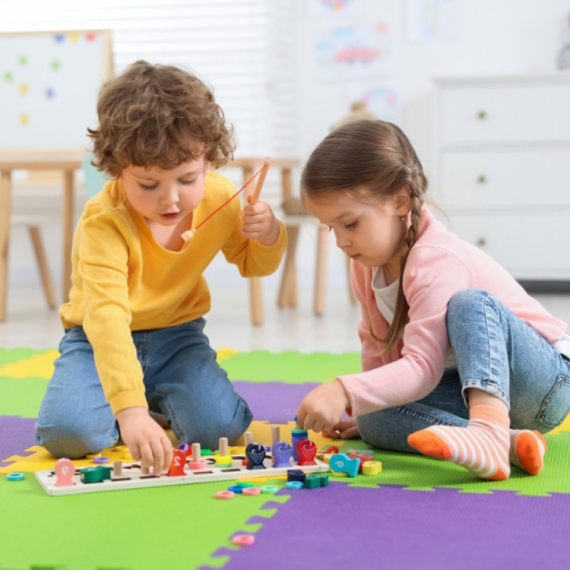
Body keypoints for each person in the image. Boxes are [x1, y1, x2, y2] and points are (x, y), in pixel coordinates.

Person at [35, 60, 287, 474]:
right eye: (149, 184)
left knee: (218, 429)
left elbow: (253, 264)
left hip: (178, 336)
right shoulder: (103, 222)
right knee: (67, 435)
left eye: (188, 179)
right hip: (97, 339)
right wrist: (130, 410)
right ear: (117, 168)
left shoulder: (220, 198)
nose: (170, 199)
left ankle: (150, 399)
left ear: (208, 159)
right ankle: (137, 401)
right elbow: (106, 317)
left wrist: (270, 234)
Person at [296, 119, 570, 481]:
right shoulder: (365, 266)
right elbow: (378, 349)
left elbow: (423, 368)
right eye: (331, 228)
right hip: (466, 387)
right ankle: (506, 444)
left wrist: (343, 390)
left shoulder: (436, 258)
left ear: (400, 200)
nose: (341, 241)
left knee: (470, 304)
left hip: (543, 384)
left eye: (350, 224)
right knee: (372, 415)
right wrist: (363, 402)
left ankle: (488, 431)